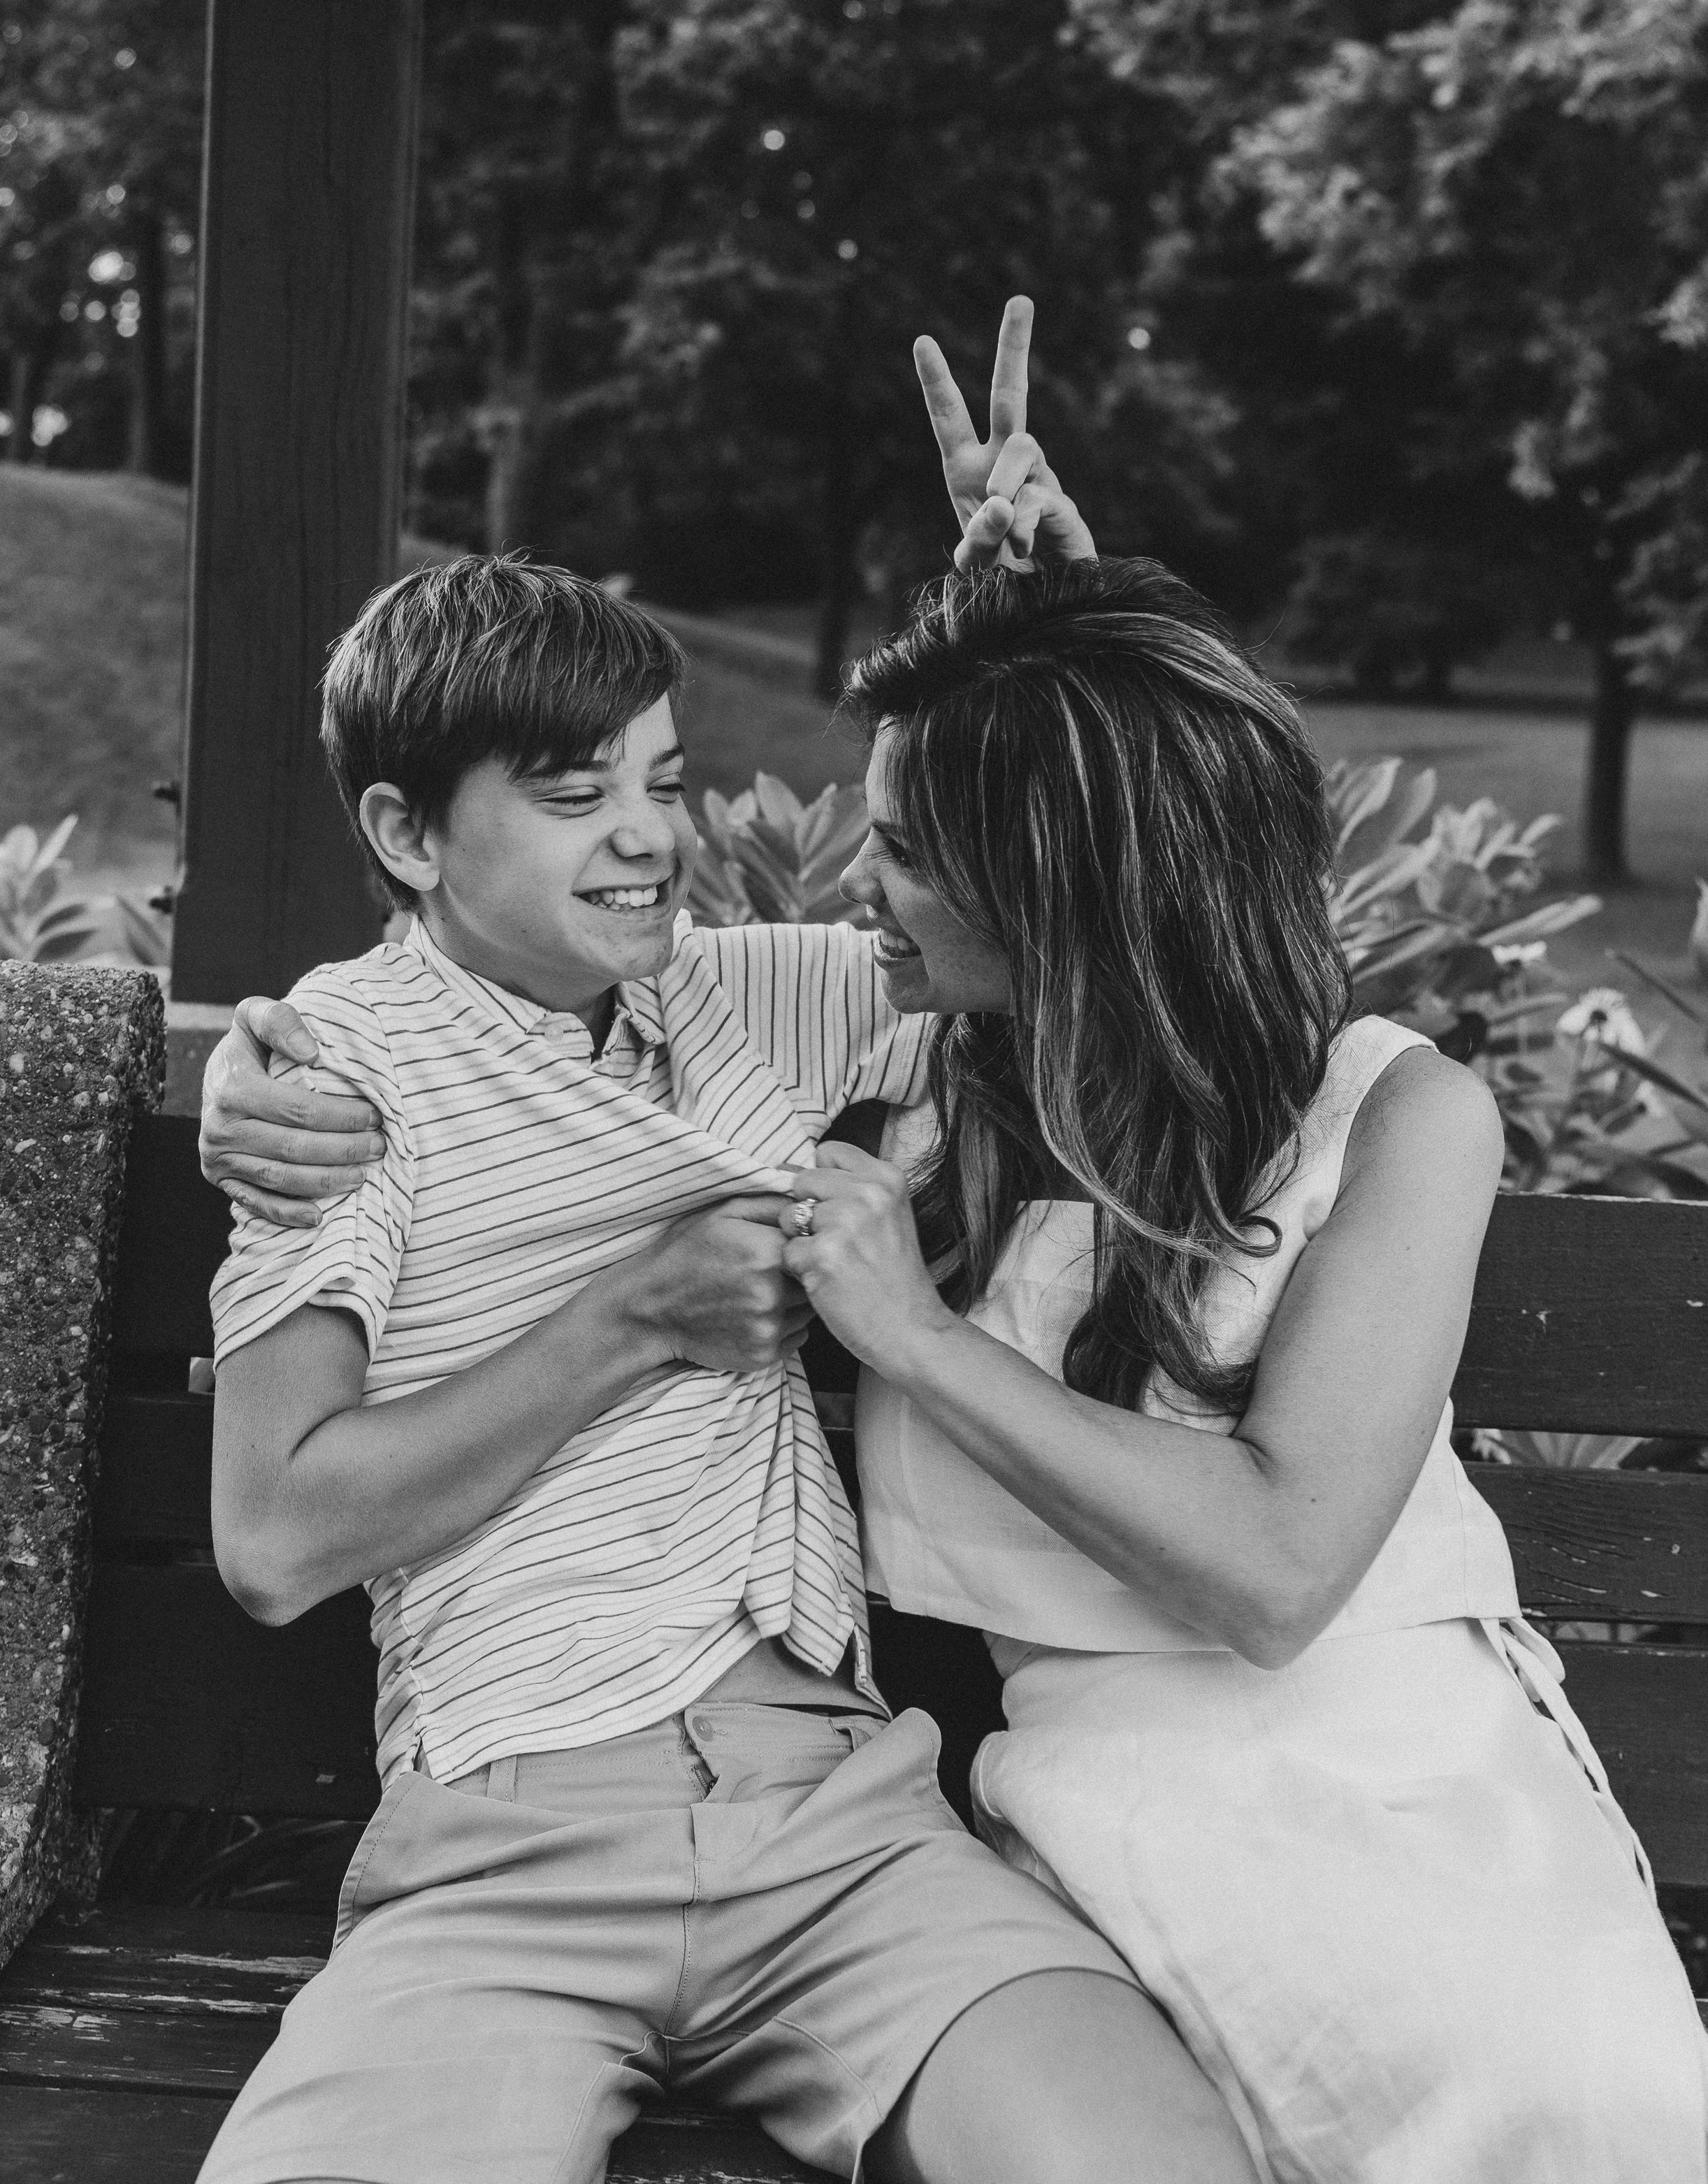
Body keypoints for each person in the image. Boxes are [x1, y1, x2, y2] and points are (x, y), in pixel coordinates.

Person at [191, 310, 1259, 2184]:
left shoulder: (757, 998)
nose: (643, 846)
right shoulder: (341, 1074)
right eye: (570, 790)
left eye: (663, 781)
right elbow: (276, 1536)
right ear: (406, 831)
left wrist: (1047, 645)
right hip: (508, 1842)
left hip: (845, 1820)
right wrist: (633, 1316)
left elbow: (1064, 917)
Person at [763, 554, 1708, 2182]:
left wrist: (911, 1337)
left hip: (1405, 1776)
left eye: (909, 849)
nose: (859, 880)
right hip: (1084, 1788)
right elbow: (529, 983)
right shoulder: (890, 1063)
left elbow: (1274, 1570)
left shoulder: (1393, 1115)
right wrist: (311, 1065)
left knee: (1574, 2120)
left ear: (1055, 887)